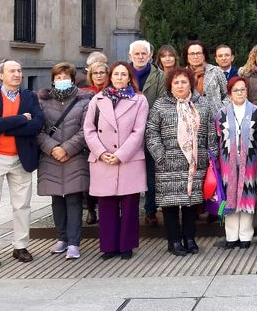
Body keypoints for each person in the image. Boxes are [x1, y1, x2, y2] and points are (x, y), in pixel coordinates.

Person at [145, 67, 217, 256]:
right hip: (168, 164)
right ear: (170, 85)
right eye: (176, 82)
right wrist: (160, 156)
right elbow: (151, 133)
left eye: (183, 82)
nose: (180, 85)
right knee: (169, 206)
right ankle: (174, 241)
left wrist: (210, 157)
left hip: (195, 164)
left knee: (191, 205)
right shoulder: (161, 105)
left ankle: (190, 238)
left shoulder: (202, 104)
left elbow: (211, 133)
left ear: (190, 84)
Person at [83, 61, 148, 260]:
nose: (120, 77)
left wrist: (120, 155)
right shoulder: (97, 99)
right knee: (106, 204)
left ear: (130, 77)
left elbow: (139, 131)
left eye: (124, 74)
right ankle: (109, 245)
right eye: (116, 74)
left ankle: (126, 245)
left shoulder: (139, 100)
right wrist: (101, 153)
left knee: (129, 205)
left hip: (128, 159)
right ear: (110, 77)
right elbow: (89, 129)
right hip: (102, 159)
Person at [0, 60, 44, 269]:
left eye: (19, 70)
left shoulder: (29, 96)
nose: (17, 74)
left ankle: (21, 246)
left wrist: (5, 126)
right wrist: (21, 118)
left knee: (22, 205)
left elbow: (37, 124)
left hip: (20, 157)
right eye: (12, 71)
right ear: (1, 75)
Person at [37, 63, 93, 260]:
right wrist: (53, 148)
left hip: (74, 156)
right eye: (58, 77)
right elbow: (38, 129)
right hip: (50, 155)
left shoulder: (84, 100)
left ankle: (74, 242)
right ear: (53, 80)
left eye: (66, 77)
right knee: (56, 199)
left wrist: (67, 148)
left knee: (73, 199)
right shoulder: (42, 101)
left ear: (73, 78)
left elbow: (86, 130)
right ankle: (61, 238)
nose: (62, 80)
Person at [215, 76, 257, 249]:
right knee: (229, 197)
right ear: (229, 93)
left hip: (250, 162)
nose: (240, 93)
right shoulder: (221, 113)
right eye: (236, 90)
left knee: (247, 196)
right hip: (228, 163)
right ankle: (231, 236)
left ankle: (245, 236)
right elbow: (217, 137)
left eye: (243, 89)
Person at [129, 39, 165, 227]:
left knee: (151, 174)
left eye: (144, 53)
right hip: (126, 133)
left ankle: (150, 210)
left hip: (151, 130)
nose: (141, 57)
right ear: (130, 56)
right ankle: (129, 211)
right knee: (130, 173)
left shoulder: (160, 76)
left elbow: (160, 102)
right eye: (137, 54)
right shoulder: (122, 74)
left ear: (150, 56)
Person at [79, 60, 109, 225]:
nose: (99, 76)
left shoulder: (113, 91)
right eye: (95, 73)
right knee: (89, 178)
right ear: (90, 75)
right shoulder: (83, 92)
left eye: (102, 73)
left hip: (109, 140)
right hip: (89, 140)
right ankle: (91, 210)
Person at [184, 40, 227, 113]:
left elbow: (227, 94)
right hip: (192, 117)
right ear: (187, 57)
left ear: (204, 55)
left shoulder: (215, 71)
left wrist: (223, 107)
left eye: (198, 53)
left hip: (216, 116)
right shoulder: (183, 74)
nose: (195, 56)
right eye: (192, 54)